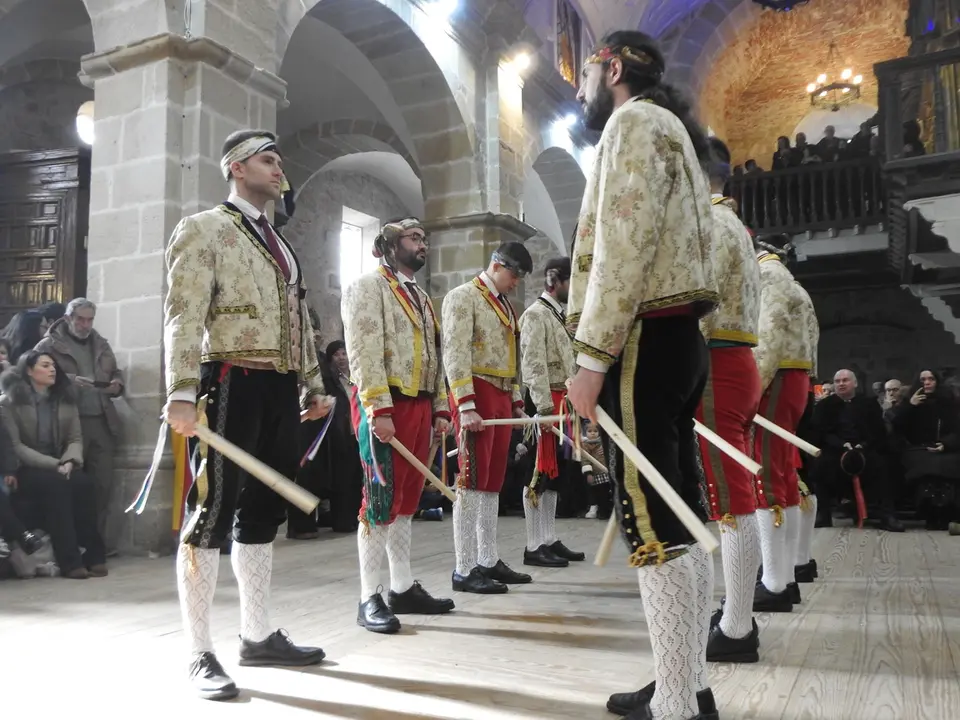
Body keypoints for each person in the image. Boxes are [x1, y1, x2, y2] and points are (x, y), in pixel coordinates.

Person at [564, 31, 720, 720]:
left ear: (615, 68)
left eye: (587, 73)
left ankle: (678, 706)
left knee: (653, 523)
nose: (579, 89)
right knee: (683, 512)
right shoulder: (677, 133)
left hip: (641, 337)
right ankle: (685, 683)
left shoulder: (631, 122)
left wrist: (591, 357)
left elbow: (622, 246)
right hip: (680, 337)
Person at [162, 129, 332, 701]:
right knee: (210, 514)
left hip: (280, 387)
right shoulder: (203, 228)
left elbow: (299, 319)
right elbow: (183, 315)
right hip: (230, 378)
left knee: (262, 512)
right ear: (236, 168)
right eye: (267, 160)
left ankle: (256, 635)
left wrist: (312, 382)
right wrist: (182, 389)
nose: (278, 168)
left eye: (280, 159)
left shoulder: (281, 245)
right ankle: (198, 650)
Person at [341, 216, 455, 634]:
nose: (422, 244)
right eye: (413, 237)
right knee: (379, 499)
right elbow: (363, 349)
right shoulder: (366, 288)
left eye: (424, 238)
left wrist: (441, 407)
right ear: (389, 245)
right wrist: (377, 407)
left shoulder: (423, 298)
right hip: (384, 401)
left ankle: (402, 588)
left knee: (407, 500)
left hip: (419, 403)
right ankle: (368, 595)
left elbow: (436, 356)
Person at [695, 137, 764, 664]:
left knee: (729, 496)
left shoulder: (710, 223)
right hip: (734, 358)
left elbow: (696, 299)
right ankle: (737, 611)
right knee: (732, 491)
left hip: (717, 360)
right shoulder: (733, 224)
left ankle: (738, 626)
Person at [442, 242, 534, 594]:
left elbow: (510, 359)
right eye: (514, 275)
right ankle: (464, 566)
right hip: (475, 392)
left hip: (497, 394)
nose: (515, 283)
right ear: (497, 265)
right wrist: (465, 404)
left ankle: (487, 557)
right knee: (471, 480)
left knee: (492, 480)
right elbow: (455, 351)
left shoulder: (505, 306)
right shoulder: (463, 296)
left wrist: (514, 400)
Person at [751, 235, 816, 613]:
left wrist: (751, 390)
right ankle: (786, 575)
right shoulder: (793, 282)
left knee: (767, 478)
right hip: (795, 379)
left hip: (775, 379)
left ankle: (774, 583)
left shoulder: (768, 278)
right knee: (784, 478)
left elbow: (767, 337)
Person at [0, 351, 105, 579]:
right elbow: (16, 446)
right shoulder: (9, 403)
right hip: (27, 467)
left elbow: (75, 439)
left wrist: (69, 461)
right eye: (45, 365)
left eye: (53, 365)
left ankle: (95, 557)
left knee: (84, 484)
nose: (52, 369)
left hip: (61, 463)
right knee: (55, 487)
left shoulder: (65, 399)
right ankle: (70, 562)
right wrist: (55, 464)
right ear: (29, 370)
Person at [35, 298, 125, 554]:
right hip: (66, 423)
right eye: (80, 319)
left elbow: (115, 372)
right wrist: (67, 382)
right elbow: (32, 380)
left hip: (102, 420)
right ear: (67, 318)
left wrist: (117, 384)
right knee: (71, 484)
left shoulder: (100, 344)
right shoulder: (48, 346)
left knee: (102, 486)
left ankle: (96, 544)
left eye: (89, 320)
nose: (85, 325)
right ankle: (70, 544)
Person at [518, 257, 585, 568]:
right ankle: (533, 544)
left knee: (556, 474)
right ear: (554, 280)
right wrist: (544, 408)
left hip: (563, 401)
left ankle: (548, 537)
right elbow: (532, 365)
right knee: (538, 472)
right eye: (570, 281)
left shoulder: (558, 316)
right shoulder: (535, 315)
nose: (574, 289)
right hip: (544, 401)